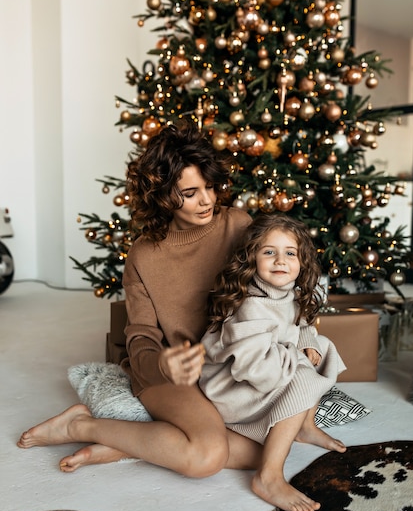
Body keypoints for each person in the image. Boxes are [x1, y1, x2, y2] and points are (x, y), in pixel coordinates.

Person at [17, 123, 263, 480]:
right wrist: (165, 365)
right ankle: (82, 427)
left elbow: (271, 292)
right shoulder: (145, 255)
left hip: (225, 367)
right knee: (207, 457)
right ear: (163, 195)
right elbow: (141, 339)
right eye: (190, 192)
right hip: (168, 376)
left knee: (268, 448)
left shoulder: (238, 226)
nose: (207, 200)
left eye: (209, 186)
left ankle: (129, 444)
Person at [199, 213, 347, 511]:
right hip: (232, 385)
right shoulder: (251, 305)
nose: (280, 260)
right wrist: (296, 359)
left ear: (302, 261)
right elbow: (252, 368)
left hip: (268, 366)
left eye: (290, 253)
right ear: (252, 258)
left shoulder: (286, 293)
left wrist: (305, 342)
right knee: (303, 376)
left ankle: (304, 424)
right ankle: (268, 477)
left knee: (321, 348)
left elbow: (300, 321)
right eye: (269, 252)